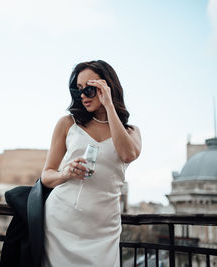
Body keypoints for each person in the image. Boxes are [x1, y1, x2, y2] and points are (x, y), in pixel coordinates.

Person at [41, 60, 142, 267]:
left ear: (107, 87)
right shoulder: (68, 123)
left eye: (89, 89)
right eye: (78, 90)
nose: (84, 96)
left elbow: (128, 154)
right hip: (61, 222)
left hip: (104, 228)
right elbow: (46, 175)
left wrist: (109, 106)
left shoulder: (131, 132)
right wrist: (65, 173)